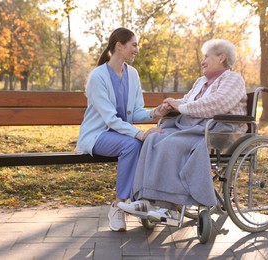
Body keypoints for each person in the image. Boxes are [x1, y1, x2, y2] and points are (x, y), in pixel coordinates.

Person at [118, 39, 248, 222]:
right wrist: (172, 105)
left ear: (221, 57)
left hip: (218, 132)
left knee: (172, 144)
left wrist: (182, 107)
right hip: (193, 127)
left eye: (206, 57)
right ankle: (145, 200)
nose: (202, 61)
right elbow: (187, 101)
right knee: (153, 138)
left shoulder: (232, 79)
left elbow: (218, 104)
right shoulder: (201, 81)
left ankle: (169, 209)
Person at [76, 28, 169, 232]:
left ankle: (142, 200)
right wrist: (140, 134)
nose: (137, 49)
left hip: (119, 135)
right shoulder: (98, 77)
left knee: (143, 142)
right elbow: (110, 119)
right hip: (97, 135)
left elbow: (135, 112)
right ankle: (118, 205)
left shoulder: (132, 74)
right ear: (119, 46)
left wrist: (156, 112)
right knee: (134, 143)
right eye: (134, 45)